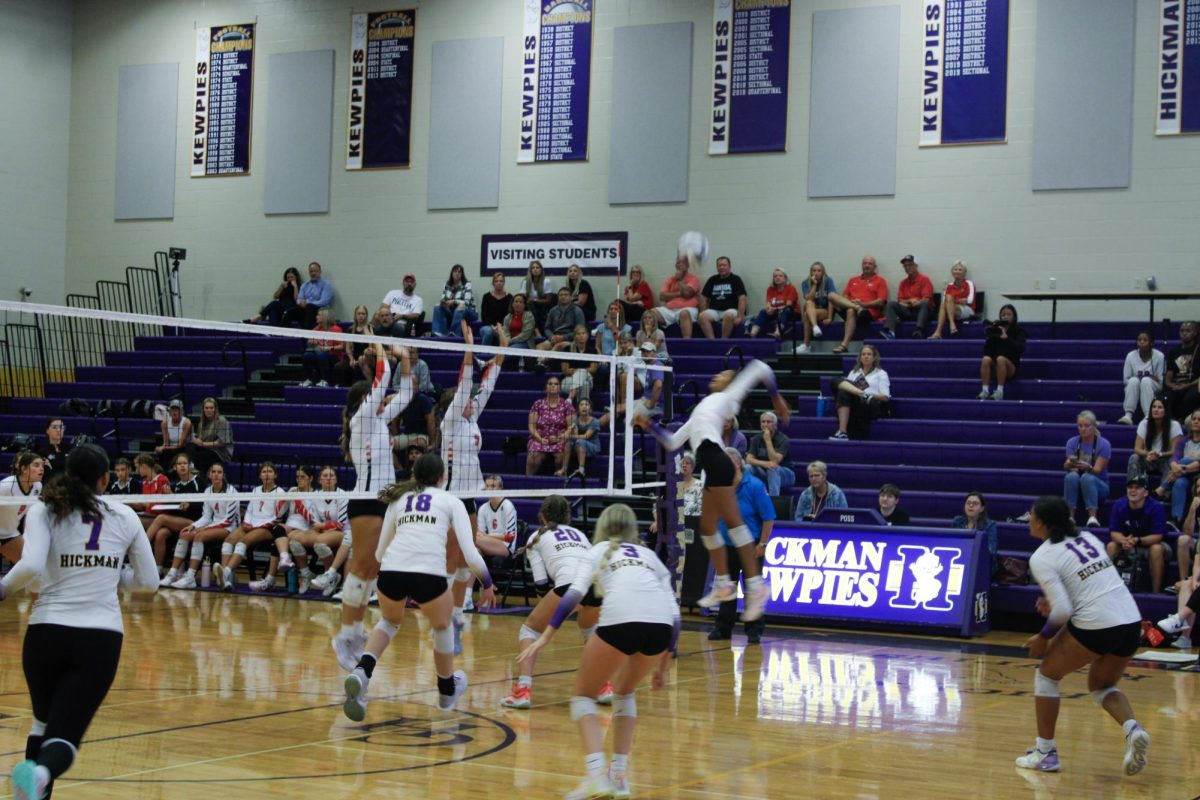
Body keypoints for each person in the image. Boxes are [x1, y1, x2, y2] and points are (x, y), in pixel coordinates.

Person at [0, 444, 158, 800]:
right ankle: (39, 773)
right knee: (64, 737)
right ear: (105, 478)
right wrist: (112, 576)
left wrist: (3, 588)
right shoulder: (125, 515)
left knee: (42, 723)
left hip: (45, 633)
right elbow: (149, 583)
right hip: (98, 638)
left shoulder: (46, 509)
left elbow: (30, 566)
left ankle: (32, 791)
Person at [517, 503, 678, 800]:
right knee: (624, 693)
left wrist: (547, 636)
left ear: (603, 526)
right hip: (660, 626)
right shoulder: (650, 556)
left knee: (581, 697)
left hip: (622, 618)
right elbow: (675, 614)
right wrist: (664, 667)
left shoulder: (599, 550)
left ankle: (595, 776)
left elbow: (572, 597)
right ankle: (619, 777)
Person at [340, 453, 495, 721]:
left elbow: (378, 553)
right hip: (428, 575)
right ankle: (446, 690)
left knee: (388, 622)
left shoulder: (399, 500)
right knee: (442, 626)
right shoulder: (451, 500)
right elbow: (470, 554)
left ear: (414, 475)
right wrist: (488, 584)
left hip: (391, 572)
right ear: (442, 477)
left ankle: (362, 673)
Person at [637, 360, 789, 620]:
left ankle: (756, 586)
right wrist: (648, 424)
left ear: (729, 383)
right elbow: (673, 441)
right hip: (709, 464)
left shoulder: (729, 396)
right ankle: (725, 584)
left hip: (718, 460)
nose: (717, 375)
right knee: (708, 528)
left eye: (723, 374)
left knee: (734, 525)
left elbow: (761, 368)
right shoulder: (702, 409)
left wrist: (777, 400)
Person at [1014, 495, 1149, 777]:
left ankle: (1045, 752)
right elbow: (1086, 586)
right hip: (1130, 620)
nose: (1029, 518)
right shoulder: (1088, 537)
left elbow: (1063, 609)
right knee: (1102, 686)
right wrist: (1057, 603)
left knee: (1047, 676)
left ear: (1043, 523)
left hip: (1098, 622)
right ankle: (1132, 729)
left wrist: (1044, 636)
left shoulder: (1041, 556)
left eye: (1032, 515)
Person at [332, 347, 413, 671]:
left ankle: (352, 632)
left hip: (384, 501)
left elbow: (405, 392)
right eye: (377, 398)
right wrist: (381, 351)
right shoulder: (362, 418)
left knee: (371, 568)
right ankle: (346, 634)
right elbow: (382, 382)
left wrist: (404, 357)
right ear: (364, 401)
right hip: (366, 501)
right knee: (363, 567)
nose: (384, 401)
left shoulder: (377, 418)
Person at [500, 495, 612, 709]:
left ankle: (522, 690)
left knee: (529, 631)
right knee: (591, 632)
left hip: (569, 585)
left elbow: (541, 582)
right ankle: (603, 686)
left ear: (542, 516)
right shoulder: (579, 534)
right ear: (567, 517)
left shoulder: (536, 537)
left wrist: (546, 607)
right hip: (597, 586)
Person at [440, 322, 505, 650]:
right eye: (466, 399)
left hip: (469, 497)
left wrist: (502, 348)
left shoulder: (471, 417)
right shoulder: (451, 418)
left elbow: (488, 384)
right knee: (453, 558)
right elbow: (468, 381)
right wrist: (468, 345)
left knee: (468, 557)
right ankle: (445, 621)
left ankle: (456, 617)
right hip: (450, 497)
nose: (472, 400)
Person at [708, 448, 774, 645]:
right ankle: (723, 628)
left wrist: (762, 543)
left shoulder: (754, 485)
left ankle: (754, 631)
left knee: (752, 590)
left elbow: (768, 518)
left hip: (750, 546)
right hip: (727, 545)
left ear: (737, 463)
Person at [163, 463, 240, 589]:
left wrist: (205, 528)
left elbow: (228, 520)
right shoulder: (208, 491)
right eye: (213, 472)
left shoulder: (231, 492)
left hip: (230, 528)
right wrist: (193, 526)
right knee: (185, 534)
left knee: (199, 536)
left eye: (219, 472)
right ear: (209, 475)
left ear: (223, 475)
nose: (216, 474)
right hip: (214, 525)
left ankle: (190, 577)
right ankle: (172, 574)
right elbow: (206, 516)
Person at [216, 462, 287, 592]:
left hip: (268, 527)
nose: (267, 475)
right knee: (229, 540)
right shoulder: (256, 490)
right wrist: (246, 522)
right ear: (260, 475)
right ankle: (226, 582)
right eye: (264, 472)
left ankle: (225, 572)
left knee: (243, 542)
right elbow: (249, 510)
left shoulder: (280, 492)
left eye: (270, 472)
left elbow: (277, 517)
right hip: (252, 524)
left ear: (275, 475)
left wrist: (257, 526)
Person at [1105, 474, 1169, 593]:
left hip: (1150, 544)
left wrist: (1137, 540)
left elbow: (1158, 536)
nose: (1133, 490)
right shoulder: (1119, 504)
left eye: (1137, 488)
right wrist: (1124, 541)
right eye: (1130, 487)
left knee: (1156, 549)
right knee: (1111, 546)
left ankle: (1156, 592)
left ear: (1145, 493)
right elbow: (1114, 533)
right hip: (1128, 544)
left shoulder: (1156, 507)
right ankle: (1108, 590)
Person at [145, 452, 206, 570]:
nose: (182, 466)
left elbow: (203, 504)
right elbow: (175, 509)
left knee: (161, 518)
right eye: (179, 464)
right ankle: (158, 569)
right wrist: (171, 498)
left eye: (185, 463)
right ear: (175, 467)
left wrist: (188, 503)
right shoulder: (176, 485)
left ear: (190, 466)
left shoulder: (198, 481)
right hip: (179, 521)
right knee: (160, 534)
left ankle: (142, 544)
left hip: (196, 522)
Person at [829, 344, 890, 440]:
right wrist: (860, 393)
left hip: (871, 404)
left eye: (869, 354)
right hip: (856, 402)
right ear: (860, 357)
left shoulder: (881, 373)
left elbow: (885, 397)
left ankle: (863, 394)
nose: (866, 356)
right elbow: (846, 389)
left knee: (843, 389)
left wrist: (869, 395)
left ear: (874, 358)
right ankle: (842, 432)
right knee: (836, 382)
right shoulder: (854, 372)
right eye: (863, 354)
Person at [1064, 410, 1112, 528]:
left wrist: (1088, 467)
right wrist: (1070, 464)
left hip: (1099, 484)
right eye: (1080, 426)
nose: (1083, 429)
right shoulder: (1072, 442)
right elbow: (1066, 466)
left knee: (1087, 477)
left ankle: (1092, 517)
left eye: (1086, 426)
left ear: (1094, 426)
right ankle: (1070, 517)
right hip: (1078, 482)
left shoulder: (1104, 444)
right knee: (1071, 476)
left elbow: (1097, 470)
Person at [830, 255, 888, 353]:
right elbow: (845, 296)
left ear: (875, 267)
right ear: (862, 265)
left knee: (850, 311)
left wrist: (863, 304)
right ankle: (855, 307)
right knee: (831, 295)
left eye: (870, 263)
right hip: (854, 307)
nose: (867, 265)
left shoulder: (880, 281)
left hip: (867, 312)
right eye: (865, 263)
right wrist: (853, 303)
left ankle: (844, 344)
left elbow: (881, 301)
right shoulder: (853, 280)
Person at [1127, 397, 1181, 490]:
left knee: (1172, 462)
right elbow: (1137, 448)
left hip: (1165, 458)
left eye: (1160, 407)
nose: (1156, 410)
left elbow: (1175, 451)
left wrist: (1159, 454)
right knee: (1134, 458)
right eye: (1154, 407)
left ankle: (1163, 494)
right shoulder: (1144, 423)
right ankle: (1134, 489)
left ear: (1166, 410)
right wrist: (1148, 453)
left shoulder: (1174, 425)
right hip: (1149, 458)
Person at [0, 452, 44, 565]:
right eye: (36, 465)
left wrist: (28, 536)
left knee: (30, 567)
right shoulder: (6, 486)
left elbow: (28, 514)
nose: (41, 469)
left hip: (8, 533)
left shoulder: (37, 486)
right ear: (24, 469)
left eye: (42, 465)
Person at [527, 376, 575, 476]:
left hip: (559, 438)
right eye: (550, 384)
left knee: (560, 456)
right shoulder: (538, 404)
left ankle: (560, 482)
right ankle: (528, 481)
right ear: (546, 388)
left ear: (560, 388)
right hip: (539, 438)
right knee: (533, 456)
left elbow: (571, 426)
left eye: (556, 384)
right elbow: (532, 427)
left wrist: (559, 438)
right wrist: (540, 439)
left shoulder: (567, 405)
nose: (553, 386)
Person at [978, 303, 1027, 400]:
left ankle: (1000, 391)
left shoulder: (1019, 331)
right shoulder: (996, 330)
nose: (1006, 317)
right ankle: (985, 390)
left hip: (1011, 367)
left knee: (1001, 359)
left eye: (1009, 314)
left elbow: (1019, 349)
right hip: (996, 366)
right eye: (1003, 315)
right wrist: (991, 336)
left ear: (1014, 316)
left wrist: (1007, 338)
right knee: (986, 359)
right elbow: (987, 351)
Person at [1118, 331, 1165, 425]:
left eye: (1145, 340)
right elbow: (1126, 379)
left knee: (1145, 381)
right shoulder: (1131, 356)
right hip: (1135, 386)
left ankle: (1148, 415)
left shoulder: (1159, 356)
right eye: (1139, 340)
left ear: (1151, 342)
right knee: (1133, 381)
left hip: (1152, 386)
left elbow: (1161, 381)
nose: (1142, 342)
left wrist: (1146, 378)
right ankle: (1128, 415)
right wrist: (1150, 376)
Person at [882, 255, 934, 339]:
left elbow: (926, 299)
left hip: (921, 311)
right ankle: (890, 332)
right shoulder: (903, 283)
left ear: (916, 266)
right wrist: (910, 301)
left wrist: (915, 302)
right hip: (908, 311)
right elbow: (900, 301)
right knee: (891, 304)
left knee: (924, 303)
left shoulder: (924, 279)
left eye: (910, 265)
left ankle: (919, 330)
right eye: (905, 266)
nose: (907, 268)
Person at [745, 410, 795, 496]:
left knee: (773, 468)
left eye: (768, 422)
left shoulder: (783, 439)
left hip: (785, 474)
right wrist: (765, 464)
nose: (765, 424)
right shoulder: (756, 439)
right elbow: (749, 459)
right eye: (763, 422)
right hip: (765, 473)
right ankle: (748, 498)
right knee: (747, 468)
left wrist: (768, 440)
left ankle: (773, 502)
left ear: (775, 425)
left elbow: (775, 461)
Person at [697, 255, 747, 339]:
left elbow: (742, 298)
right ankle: (712, 342)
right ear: (717, 267)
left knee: (728, 315)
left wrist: (740, 317)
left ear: (729, 266)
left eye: (724, 265)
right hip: (714, 310)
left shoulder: (736, 279)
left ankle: (723, 341)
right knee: (702, 317)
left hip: (731, 309)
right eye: (719, 265)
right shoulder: (712, 280)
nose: (721, 267)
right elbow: (703, 297)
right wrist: (702, 311)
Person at [653, 253, 701, 339]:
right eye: (678, 263)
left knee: (684, 313)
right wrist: (678, 293)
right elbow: (662, 297)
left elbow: (687, 294)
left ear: (688, 265)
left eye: (683, 262)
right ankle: (651, 342)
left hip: (688, 309)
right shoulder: (670, 279)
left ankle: (687, 344)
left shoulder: (694, 279)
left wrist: (679, 280)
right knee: (650, 313)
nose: (680, 265)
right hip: (670, 310)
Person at [951, 492, 999, 577]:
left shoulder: (990, 525)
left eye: (975, 503)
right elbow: (952, 544)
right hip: (961, 560)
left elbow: (991, 550)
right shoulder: (957, 522)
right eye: (968, 503)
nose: (971, 505)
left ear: (982, 508)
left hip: (981, 564)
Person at [1167, 411, 1200, 527]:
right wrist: (1174, 466)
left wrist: (1182, 467)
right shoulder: (1184, 441)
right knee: (1180, 483)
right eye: (1194, 419)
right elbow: (1174, 456)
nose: (1196, 422)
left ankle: (1163, 487)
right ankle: (1176, 518)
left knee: (1185, 460)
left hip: (1198, 477)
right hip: (1184, 476)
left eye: (1199, 420)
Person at [474, 475, 518, 559]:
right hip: (487, 543)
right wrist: (484, 537)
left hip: (505, 546)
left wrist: (487, 536)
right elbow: (481, 534)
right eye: (487, 486)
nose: (489, 489)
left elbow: (510, 537)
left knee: (471, 539)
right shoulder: (483, 508)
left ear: (500, 488)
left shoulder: (507, 506)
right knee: (473, 552)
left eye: (493, 486)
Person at [749, 267, 799, 341]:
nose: (777, 278)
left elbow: (789, 305)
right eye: (775, 276)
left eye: (780, 276)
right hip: (777, 312)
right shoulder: (770, 289)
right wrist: (768, 309)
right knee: (763, 311)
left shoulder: (791, 288)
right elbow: (768, 303)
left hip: (791, 312)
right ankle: (752, 334)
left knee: (785, 311)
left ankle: (778, 333)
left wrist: (776, 309)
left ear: (785, 278)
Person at [930, 260, 977, 339]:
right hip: (952, 309)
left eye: (960, 270)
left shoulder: (969, 283)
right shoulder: (949, 285)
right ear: (952, 272)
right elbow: (945, 301)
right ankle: (946, 328)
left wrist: (953, 301)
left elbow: (969, 300)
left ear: (965, 272)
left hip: (968, 309)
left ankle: (941, 330)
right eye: (955, 269)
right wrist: (957, 301)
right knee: (945, 302)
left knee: (947, 301)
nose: (957, 271)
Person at [300, 308, 345, 388]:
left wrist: (328, 348)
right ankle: (308, 379)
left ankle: (325, 380)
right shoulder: (317, 328)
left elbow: (342, 346)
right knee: (307, 355)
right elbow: (309, 340)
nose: (316, 317)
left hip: (334, 356)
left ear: (325, 317)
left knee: (322, 355)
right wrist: (312, 342)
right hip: (320, 354)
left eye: (318, 315)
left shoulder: (336, 329)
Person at [798, 261, 837, 353]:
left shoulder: (828, 281)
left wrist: (830, 318)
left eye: (819, 270)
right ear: (811, 272)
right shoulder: (805, 282)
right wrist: (814, 284)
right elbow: (808, 298)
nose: (816, 273)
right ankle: (815, 327)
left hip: (824, 311)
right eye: (814, 270)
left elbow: (832, 299)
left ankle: (806, 346)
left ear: (823, 272)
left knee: (807, 313)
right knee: (808, 304)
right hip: (812, 308)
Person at [283, 261, 334, 330]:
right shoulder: (305, 285)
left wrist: (307, 303)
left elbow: (324, 301)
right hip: (306, 309)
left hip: (320, 310)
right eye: (311, 271)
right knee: (291, 311)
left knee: (310, 307)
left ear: (320, 272)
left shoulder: (326, 285)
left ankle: (306, 334)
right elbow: (299, 299)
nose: (313, 273)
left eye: (315, 271)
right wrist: (300, 302)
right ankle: (281, 334)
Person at [1165, 320, 1200, 421]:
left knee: (1191, 397)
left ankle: (1186, 420)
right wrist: (1172, 385)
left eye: (1188, 331)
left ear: (1195, 333)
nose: (1184, 333)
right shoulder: (1174, 351)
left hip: (1193, 384)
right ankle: (1170, 423)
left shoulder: (1198, 350)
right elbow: (1168, 376)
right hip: (1177, 384)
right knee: (1165, 397)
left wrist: (1187, 386)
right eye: (1182, 331)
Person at [191, 396, 234, 473]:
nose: (209, 410)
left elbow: (221, 443)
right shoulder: (202, 422)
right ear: (203, 409)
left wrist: (202, 444)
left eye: (211, 408)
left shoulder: (221, 420)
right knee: (189, 447)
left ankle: (199, 476)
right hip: (206, 449)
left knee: (202, 456)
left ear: (215, 409)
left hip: (220, 453)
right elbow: (199, 438)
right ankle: (191, 470)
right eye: (206, 408)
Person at [431, 263, 476, 336]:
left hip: (468, 311)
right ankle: (438, 332)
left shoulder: (467, 284)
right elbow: (443, 298)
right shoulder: (447, 284)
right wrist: (444, 304)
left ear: (462, 274)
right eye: (455, 271)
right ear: (452, 273)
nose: (457, 274)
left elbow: (467, 302)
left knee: (461, 306)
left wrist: (454, 301)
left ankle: (453, 333)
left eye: (459, 272)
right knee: (437, 307)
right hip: (452, 311)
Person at [332, 304, 372, 387]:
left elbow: (371, 347)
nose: (361, 316)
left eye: (363, 314)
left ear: (366, 315)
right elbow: (348, 348)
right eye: (359, 313)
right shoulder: (350, 329)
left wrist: (358, 361)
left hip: (365, 358)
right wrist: (351, 359)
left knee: (356, 369)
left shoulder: (369, 328)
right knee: (338, 367)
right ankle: (341, 387)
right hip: (353, 357)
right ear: (355, 315)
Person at [539, 287, 585, 353]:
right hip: (554, 339)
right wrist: (552, 337)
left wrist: (563, 337)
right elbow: (547, 328)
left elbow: (580, 331)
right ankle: (540, 362)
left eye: (566, 295)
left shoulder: (577, 311)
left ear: (571, 297)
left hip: (571, 341)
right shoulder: (553, 310)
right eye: (561, 295)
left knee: (558, 346)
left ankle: (541, 361)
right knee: (539, 347)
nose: (563, 297)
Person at [382, 273, 425, 337]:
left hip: (403, 324)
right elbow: (383, 307)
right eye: (407, 281)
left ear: (415, 284)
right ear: (403, 283)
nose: (409, 284)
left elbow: (416, 315)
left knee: (396, 327)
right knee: (375, 322)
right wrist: (389, 317)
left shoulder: (418, 300)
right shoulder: (392, 293)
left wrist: (402, 316)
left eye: (411, 282)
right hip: (388, 320)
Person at [568, 398, 602, 477]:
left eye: (586, 405)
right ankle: (564, 469)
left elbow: (586, 436)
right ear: (578, 410)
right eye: (581, 405)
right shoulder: (575, 420)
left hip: (593, 446)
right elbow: (575, 434)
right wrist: (572, 429)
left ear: (590, 410)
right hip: (579, 445)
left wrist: (569, 436)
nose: (584, 407)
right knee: (568, 443)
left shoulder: (595, 421)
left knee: (580, 441)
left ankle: (581, 469)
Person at [154, 399, 193, 467]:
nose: (174, 412)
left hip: (185, 448)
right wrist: (161, 448)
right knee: (162, 453)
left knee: (174, 452)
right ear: (169, 412)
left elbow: (180, 444)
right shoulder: (164, 423)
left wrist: (164, 448)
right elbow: (165, 443)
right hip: (171, 449)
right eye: (173, 410)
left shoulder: (186, 423)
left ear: (182, 411)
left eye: (177, 410)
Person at [519, 260, 554, 333]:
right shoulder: (525, 282)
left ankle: (536, 330)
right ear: (530, 270)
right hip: (530, 307)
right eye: (533, 268)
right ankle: (536, 331)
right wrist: (532, 300)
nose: (535, 269)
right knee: (530, 305)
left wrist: (534, 300)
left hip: (543, 307)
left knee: (532, 305)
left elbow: (548, 300)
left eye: (537, 267)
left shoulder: (546, 281)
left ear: (541, 270)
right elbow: (523, 298)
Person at [479, 271, 513, 346]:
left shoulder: (509, 297)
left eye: (501, 281)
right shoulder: (486, 297)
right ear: (493, 283)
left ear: (504, 283)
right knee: (488, 332)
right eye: (496, 281)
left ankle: (504, 357)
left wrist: (500, 327)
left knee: (505, 333)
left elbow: (510, 315)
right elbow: (484, 316)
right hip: (488, 326)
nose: (499, 283)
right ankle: (484, 355)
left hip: (504, 327)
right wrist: (493, 327)